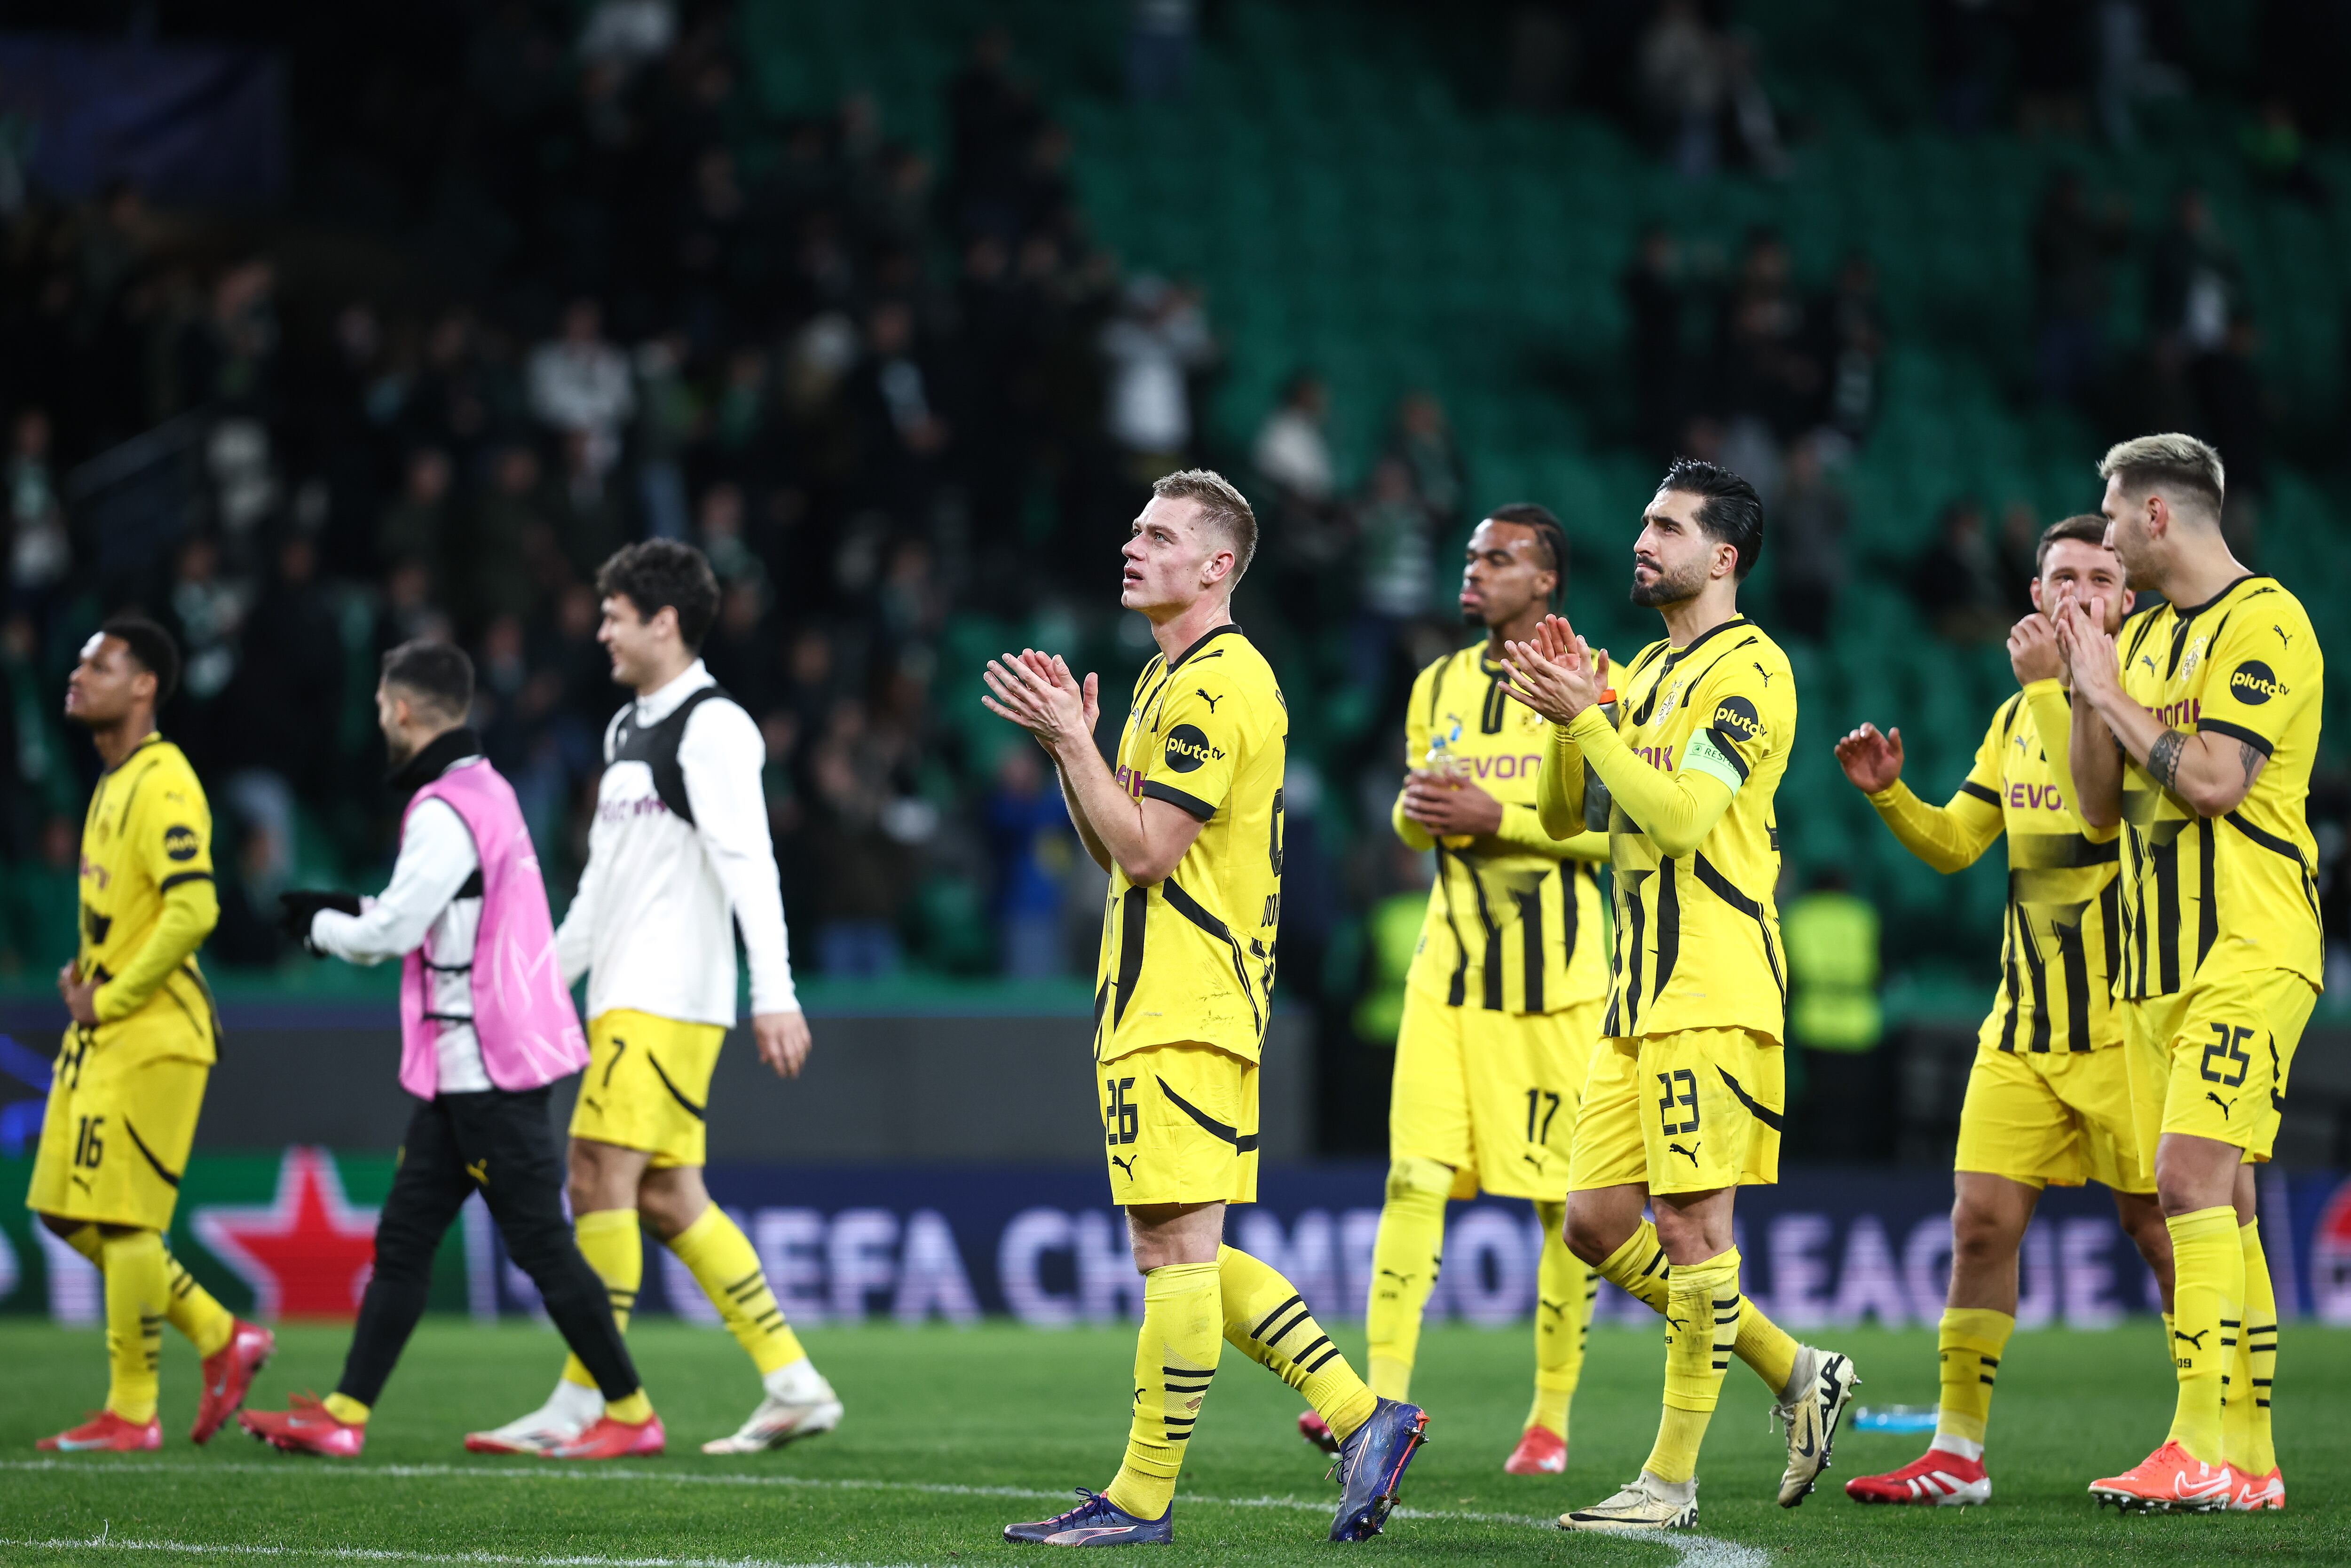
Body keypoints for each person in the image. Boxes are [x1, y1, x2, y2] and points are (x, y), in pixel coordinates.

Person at [981, 470, 1428, 1547]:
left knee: (1175, 1250)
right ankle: (1368, 1419)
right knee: (1174, 1243)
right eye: (1135, 528)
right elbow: (1112, 846)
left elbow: (1146, 850)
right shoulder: (1163, 678)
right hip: (1163, 994)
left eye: (1161, 534)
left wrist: (1077, 749)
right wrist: (1070, 750)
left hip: (1184, 996)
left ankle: (1140, 1501)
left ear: (1217, 566)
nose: (1133, 546)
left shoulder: (1221, 685)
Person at [1499, 457, 1855, 1532]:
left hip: (1711, 987)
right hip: (1632, 998)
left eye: (1666, 526)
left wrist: (1593, 719)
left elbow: (1687, 819)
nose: (1642, 540)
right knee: (1596, 1225)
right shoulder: (1647, 672)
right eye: (1643, 521)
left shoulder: (1750, 673)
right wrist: (1575, 713)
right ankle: (1798, 1372)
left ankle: (1668, 1483)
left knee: (1693, 1228)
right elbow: (1573, 818)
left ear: (1724, 556)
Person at [238, 642, 660, 1460]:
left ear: (402, 710)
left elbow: (395, 931)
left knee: (540, 1245)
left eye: (380, 707)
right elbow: (439, 911)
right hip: (470, 1074)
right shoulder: (489, 792)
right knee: (404, 1244)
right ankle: (346, 1414)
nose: (378, 720)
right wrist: (348, 904)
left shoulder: (441, 808)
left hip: (484, 1073)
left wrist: (322, 926)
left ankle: (633, 1411)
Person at [1831, 515, 2176, 1506]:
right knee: (1979, 1226)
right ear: (2035, 597)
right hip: (2023, 1029)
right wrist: (1893, 799)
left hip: (2127, 1027)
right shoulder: (2009, 716)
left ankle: (2217, 1431)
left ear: (2129, 601)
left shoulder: (2146, 706)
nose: (2075, 592)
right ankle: (1957, 1453)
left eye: (2097, 578)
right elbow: (1957, 845)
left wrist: (2048, 691)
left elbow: (2095, 819)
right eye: (2059, 576)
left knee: (2158, 1230)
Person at [474, 540, 835, 1458]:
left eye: (614, 616)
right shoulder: (626, 730)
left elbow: (751, 865)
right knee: (670, 1199)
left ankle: (586, 1404)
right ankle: (793, 1382)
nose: (600, 632)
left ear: (663, 621)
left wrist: (777, 993)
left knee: (595, 1174)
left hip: (669, 998)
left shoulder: (716, 727)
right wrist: (535, 991)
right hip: (628, 996)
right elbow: (601, 889)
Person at [1298, 504, 1609, 1478]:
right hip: (1446, 977)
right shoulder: (1435, 682)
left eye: (1499, 558)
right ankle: (1375, 1400)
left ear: (1546, 579)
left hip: (1554, 991)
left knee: (1563, 1208)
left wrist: (1498, 814)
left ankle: (1549, 1419)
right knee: (1410, 1182)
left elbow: (1629, 829)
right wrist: (1414, 812)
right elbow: (1411, 817)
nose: (1472, 571)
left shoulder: (1598, 680)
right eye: (1471, 555)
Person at [2057, 434, 2322, 1514]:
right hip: (2154, 966)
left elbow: (2214, 780)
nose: (2105, 536)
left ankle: (2197, 1440)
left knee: (2184, 1188)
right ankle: (2248, 1461)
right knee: (2228, 1205)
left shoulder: (2266, 621)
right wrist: (2087, 689)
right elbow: (2094, 808)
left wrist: (2111, 694)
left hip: (2248, 947)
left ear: (2157, 516)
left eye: (2112, 516)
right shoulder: (2150, 636)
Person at [30, 618, 273, 1452]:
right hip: (106, 1030)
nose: (78, 671)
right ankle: (219, 1335)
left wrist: (116, 995)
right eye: (80, 656)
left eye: (100, 663)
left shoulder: (165, 780)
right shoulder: (111, 780)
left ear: (145, 687)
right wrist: (84, 975)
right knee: (64, 1211)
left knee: (124, 1219)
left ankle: (133, 1410)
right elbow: (128, 911)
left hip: (153, 1031)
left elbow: (195, 907)